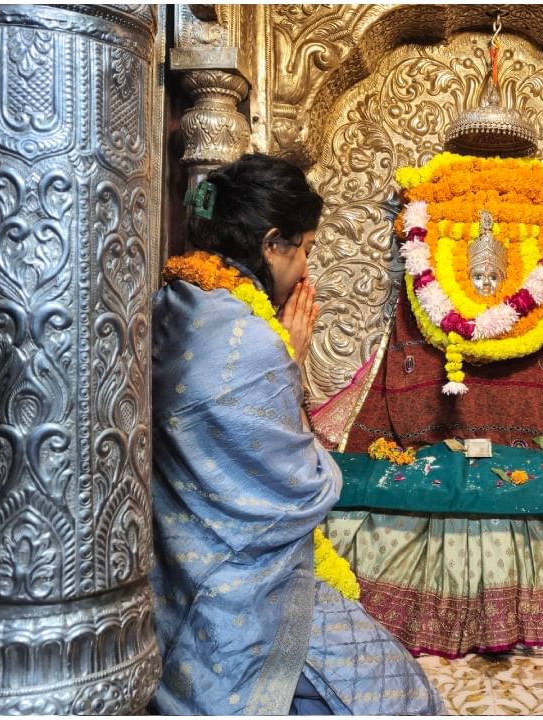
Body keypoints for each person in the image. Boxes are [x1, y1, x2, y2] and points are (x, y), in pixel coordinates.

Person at [148, 153, 443, 715]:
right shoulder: (254, 345)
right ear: (271, 243)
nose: (306, 269)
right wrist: (288, 358)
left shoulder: (175, 300)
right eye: (304, 247)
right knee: (403, 698)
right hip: (244, 589)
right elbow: (300, 489)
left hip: (175, 574)